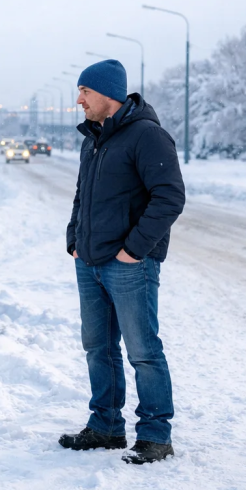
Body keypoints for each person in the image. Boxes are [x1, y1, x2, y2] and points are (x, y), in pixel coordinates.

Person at [60, 59, 186, 465]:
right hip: (89, 262)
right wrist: (73, 240)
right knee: (98, 347)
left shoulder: (147, 136)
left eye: (85, 92)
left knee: (143, 350)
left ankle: (155, 436)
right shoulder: (92, 139)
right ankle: (106, 426)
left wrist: (134, 250)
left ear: (109, 94)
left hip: (130, 264)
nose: (78, 100)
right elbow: (82, 196)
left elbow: (169, 198)